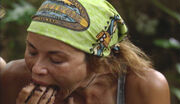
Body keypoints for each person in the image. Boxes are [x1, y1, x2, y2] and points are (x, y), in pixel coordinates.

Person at [0, 0, 170, 104]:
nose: (37, 69)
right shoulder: (15, 78)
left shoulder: (143, 87)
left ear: (98, 60)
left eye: (56, 59)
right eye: (32, 51)